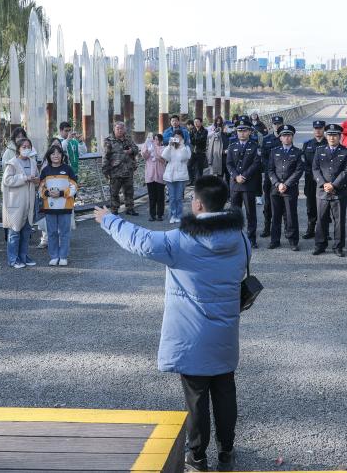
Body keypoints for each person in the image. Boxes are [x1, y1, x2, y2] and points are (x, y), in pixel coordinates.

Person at [94, 175, 247, 473]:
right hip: (226, 330)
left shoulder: (181, 241)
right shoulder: (240, 238)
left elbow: (140, 240)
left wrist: (109, 219)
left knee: (197, 397)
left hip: (191, 334)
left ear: (198, 204)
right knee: (225, 391)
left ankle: (197, 457)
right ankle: (226, 453)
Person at [312, 123, 347, 256]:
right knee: (321, 219)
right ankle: (320, 245)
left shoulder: (346, 151)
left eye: (335, 135)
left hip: (339, 191)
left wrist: (333, 185)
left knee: (339, 221)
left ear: (339, 136)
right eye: (329, 135)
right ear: (326, 136)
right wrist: (324, 184)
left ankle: (338, 246)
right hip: (322, 191)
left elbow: (346, 171)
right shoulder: (319, 150)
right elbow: (315, 169)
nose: (332, 138)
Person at [1, 138, 40, 268]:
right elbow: (7, 180)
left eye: (28, 146)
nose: (26, 149)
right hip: (15, 202)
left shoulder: (33, 162)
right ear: (18, 149)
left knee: (26, 232)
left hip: (29, 202)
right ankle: (13, 259)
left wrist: (36, 180)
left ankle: (23, 256)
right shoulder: (12, 163)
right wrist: (24, 178)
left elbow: (38, 178)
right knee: (14, 232)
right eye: (24, 147)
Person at [39, 145, 79, 266]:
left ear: (62, 155)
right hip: (49, 207)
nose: (56, 156)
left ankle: (63, 256)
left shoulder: (68, 169)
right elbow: (40, 188)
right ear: (49, 156)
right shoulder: (45, 171)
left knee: (65, 233)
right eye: (53, 153)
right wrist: (47, 193)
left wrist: (61, 193)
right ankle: (54, 256)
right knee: (51, 233)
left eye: (58, 153)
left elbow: (74, 187)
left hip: (65, 206)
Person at [226, 117, 262, 248]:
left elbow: (256, 164)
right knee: (234, 214)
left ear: (250, 132)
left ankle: (251, 238)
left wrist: (244, 176)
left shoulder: (255, 146)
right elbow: (229, 164)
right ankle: (235, 238)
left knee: (250, 213)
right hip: (235, 185)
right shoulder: (232, 146)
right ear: (236, 132)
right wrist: (236, 176)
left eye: (245, 130)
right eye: (239, 131)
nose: (242, 133)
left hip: (248, 184)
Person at [267, 124, 304, 250]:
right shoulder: (274, 151)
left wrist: (286, 184)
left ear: (292, 137)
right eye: (284, 135)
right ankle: (275, 240)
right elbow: (270, 170)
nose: (286, 138)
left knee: (291, 215)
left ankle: (293, 241)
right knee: (275, 215)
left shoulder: (298, 152)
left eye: (289, 135)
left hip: (290, 189)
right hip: (275, 188)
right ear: (280, 138)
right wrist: (278, 184)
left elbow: (299, 171)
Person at [103, 121, 140, 216]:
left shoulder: (128, 139)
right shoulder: (109, 140)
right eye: (118, 128)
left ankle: (130, 208)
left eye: (121, 128)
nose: (120, 130)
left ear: (124, 129)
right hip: (115, 171)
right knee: (114, 192)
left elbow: (136, 149)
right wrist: (105, 170)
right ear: (114, 129)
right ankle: (114, 210)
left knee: (129, 191)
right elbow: (106, 156)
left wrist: (131, 151)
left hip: (128, 169)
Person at [301, 120, 326, 239]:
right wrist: (313, 175)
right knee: (311, 205)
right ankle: (310, 229)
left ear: (324, 129)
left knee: (325, 206)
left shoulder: (328, 143)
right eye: (316, 128)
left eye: (320, 128)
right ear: (313, 130)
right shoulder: (307, 144)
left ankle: (324, 230)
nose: (318, 130)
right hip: (310, 180)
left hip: (324, 181)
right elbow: (303, 162)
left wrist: (321, 177)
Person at [258, 116, 282, 237]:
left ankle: (283, 230)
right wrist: (271, 169)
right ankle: (267, 227)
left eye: (279, 124)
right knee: (267, 203)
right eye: (275, 124)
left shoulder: (285, 138)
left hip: (281, 176)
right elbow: (263, 157)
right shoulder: (267, 139)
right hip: (269, 176)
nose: (277, 126)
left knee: (282, 204)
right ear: (272, 125)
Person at [162, 131, 192, 224]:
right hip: (170, 175)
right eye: (175, 137)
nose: (177, 138)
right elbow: (164, 156)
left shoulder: (185, 147)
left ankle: (179, 215)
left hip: (181, 176)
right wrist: (169, 145)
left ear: (182, 138)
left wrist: (181, 145)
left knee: (178, 198)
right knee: (172, 198)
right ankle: (172, 215)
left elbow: (185, 158)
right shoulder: (171, 147)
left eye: (179, 136)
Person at [141, 133, 167, 221]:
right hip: (150, 175)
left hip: (160, 175)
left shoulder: (163, 148)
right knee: (152, 196)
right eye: (154, 139)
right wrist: (147, 146)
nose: (155, 141)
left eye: (157, 139)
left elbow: (164, 161)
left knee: (160, 196)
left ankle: (160, 214)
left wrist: (156, 154)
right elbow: (144, 156)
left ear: (161, 141)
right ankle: (152, 215)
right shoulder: (149, 147)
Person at [188, 117, 209, 184]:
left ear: (201, 123)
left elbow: (201, 140)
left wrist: (195, 140)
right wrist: (195, 140)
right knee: (189, 165)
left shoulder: (205, 131)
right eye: (195, 122)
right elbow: (191, 141)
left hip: (201, 152)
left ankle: (199, 183)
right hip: (193, 152)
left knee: (199, 169)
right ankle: (191, 180)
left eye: (197, 122)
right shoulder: (192, 130)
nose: (196, 123)